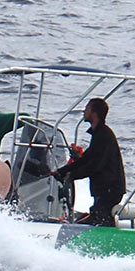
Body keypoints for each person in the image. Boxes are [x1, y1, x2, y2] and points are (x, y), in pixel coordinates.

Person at [53, 96, 125, 226]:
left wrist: (72, 176)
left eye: (87, 108)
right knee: (99, 218)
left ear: (94, 113)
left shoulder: (104, 135)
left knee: (98, 220)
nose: (83, 112)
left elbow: (95, 166)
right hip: (104, 189)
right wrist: (61, 171)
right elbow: (85, 160)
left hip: (109, 190)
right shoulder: (98, 134)